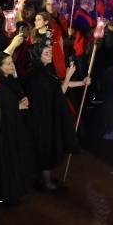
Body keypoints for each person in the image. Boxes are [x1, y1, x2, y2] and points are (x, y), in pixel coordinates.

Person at [24, 44, 84, 192]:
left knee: (47, 147)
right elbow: (59, 94)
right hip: (42, 117)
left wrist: (82, 83)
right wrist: (69, 75)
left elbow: (58, 86)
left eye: (50, 52)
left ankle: (46, 178)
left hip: (46, 115)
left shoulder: (44, 71)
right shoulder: (38, 75)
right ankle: (45, 182)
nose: (50, 55)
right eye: (46, 53)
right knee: (45, 148)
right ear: (38, 56)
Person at [0, 52, 34, 205]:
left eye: (12, 62)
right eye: (8, 64)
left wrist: (21, 101)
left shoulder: (8, 80)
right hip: (3, 134)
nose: (12, 66)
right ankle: (6, 194)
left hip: (13, 130)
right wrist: (18, 106)